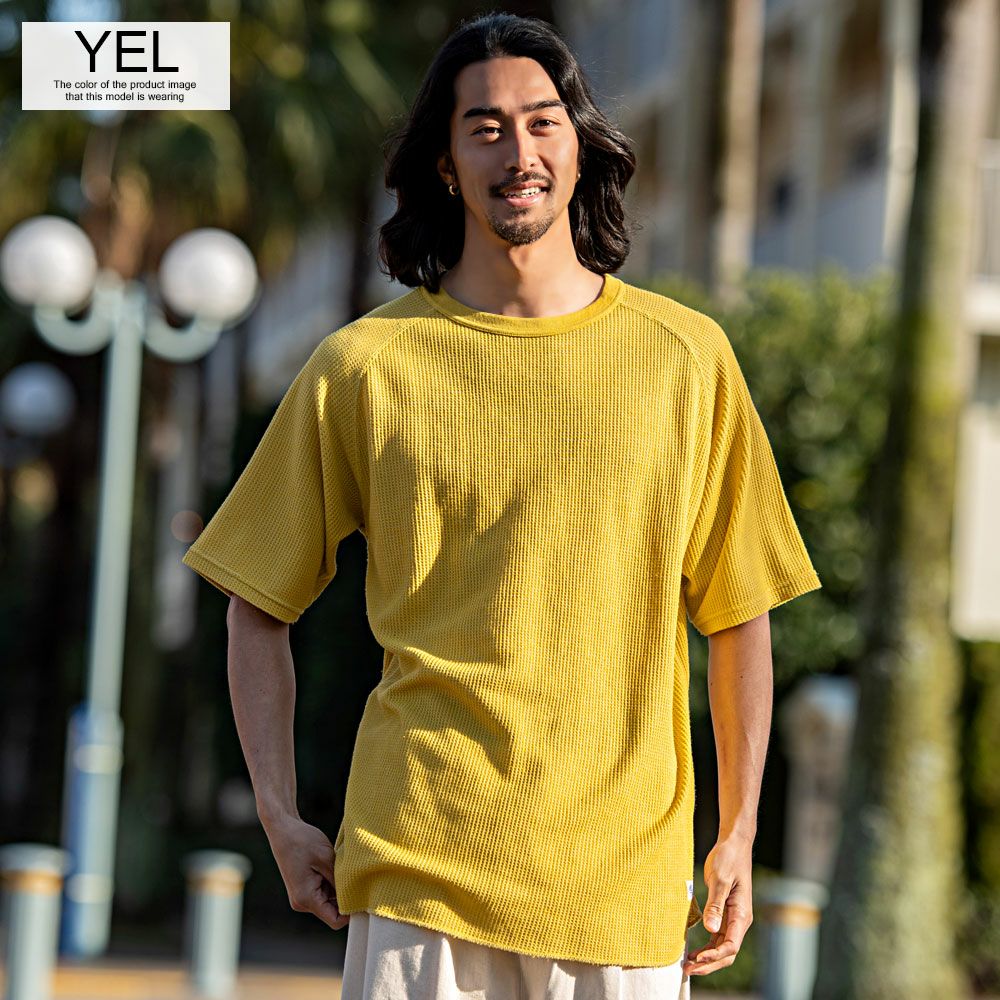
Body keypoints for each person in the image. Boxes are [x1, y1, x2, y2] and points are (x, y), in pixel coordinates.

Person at [181, 11, 822, 999]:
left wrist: (737, 831)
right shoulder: (363, 366)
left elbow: (740, 612)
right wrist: (279, 810)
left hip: (619, 883)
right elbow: (255, 600)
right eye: (484, 128)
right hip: (418, 864)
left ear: (578, 144)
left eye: (541, 122)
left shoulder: (686, 360)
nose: (517, 152)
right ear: (445, 163)